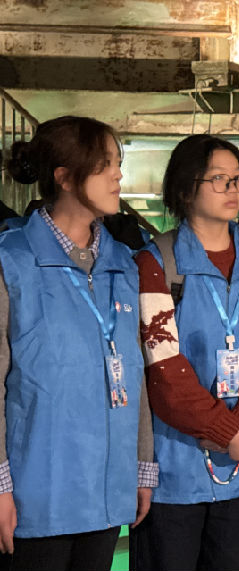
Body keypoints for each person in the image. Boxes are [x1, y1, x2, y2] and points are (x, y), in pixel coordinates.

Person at [0, 116, 155, 570]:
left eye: (118, 163)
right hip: (35, 495)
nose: (118, 175)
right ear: (64, 177)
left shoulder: (122, 263)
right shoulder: (13, 260)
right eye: (104, 164)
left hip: (106, 489)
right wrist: (0, 486)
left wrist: (142, 465)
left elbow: (135, 373)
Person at [130, 135, 239, 571]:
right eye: (218, 179)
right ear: (185, 189)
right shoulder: (156, 263)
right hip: (176, 467)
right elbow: (164, 367)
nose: (233, 189)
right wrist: (226, 430)